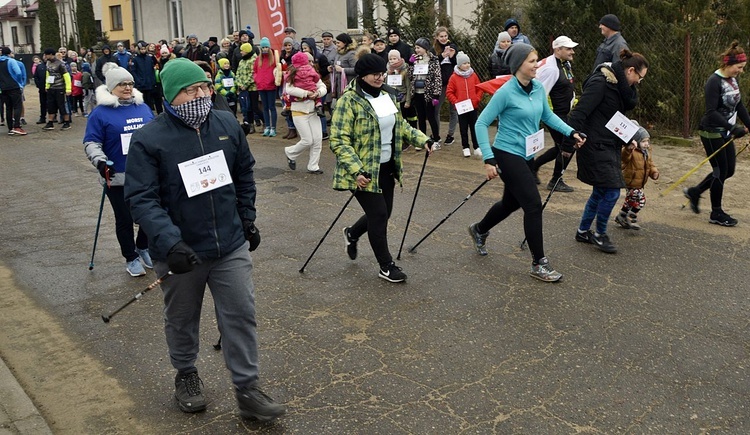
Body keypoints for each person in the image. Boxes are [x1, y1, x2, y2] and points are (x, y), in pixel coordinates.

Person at [124, 57, 286, 421]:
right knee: (182, 318)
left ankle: (247, 389)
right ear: (171, 95)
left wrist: (247, 220)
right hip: (181, 253)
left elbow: (243, 173)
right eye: (191, 90)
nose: (202, 95)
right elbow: (141, 198)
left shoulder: (227, 123)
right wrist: (169, 242)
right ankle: (186, 374)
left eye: (205, 87)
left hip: (229, 245)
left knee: (241, 315)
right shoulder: (150, 139)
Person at [469, 43, 585, 282]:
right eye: (532, 61)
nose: (537, 65)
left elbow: (548, 115)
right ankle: (538, 263)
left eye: (537, 60)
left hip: (527, 153)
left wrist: (571, 132)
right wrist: (488, 159)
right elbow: (481, 123)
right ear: (518, 65)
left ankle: (479, 230)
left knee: (511, 203)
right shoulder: (506, 92)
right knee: (533, 204)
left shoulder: (538, 88)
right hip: (507, 153)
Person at [331, 54, 434, 283]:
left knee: (384, 212)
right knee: (378, 214)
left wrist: (422, 140)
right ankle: (386, 266)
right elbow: (338, 140)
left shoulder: (388, 94)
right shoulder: (349, 101)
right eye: (375, 74)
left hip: (387, 166)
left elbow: (402, 126)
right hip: (364, 171)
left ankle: (352, 233)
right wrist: (357, 170)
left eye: (382, 73)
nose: (380, 77)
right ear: (362, 76)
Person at [568, 50, 648, 254]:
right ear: (630, 70)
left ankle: (583, 230)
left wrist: (628, 139)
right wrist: (568, 144)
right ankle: (600, 234)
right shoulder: (601, 82)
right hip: (593, 144)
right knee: (612, 191)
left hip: (609, 144)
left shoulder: (619, 87)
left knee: (601, 191)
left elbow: (613, 119)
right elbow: (579, 113)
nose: (639, 82)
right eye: (639, 77)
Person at [83, 63, 154, 276]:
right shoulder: (100, 113)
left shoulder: (143, 107)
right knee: (124, 218)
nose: (127, 88)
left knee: (149, 215)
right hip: (117, 175)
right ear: (111, 87)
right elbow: (91, 143)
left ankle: (143, 246)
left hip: (145, 173)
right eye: (122, 84)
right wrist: (100, 162)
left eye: (130, 83)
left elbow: (155, 135)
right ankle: (131, 257)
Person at [683, 41, 750, 227]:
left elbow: (739, 105)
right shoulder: (714, 81)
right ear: (728, 64)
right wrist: (733, 128)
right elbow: (711, 111)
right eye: (739, 67)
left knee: (729, 170)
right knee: (720, 171)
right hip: (711, 131)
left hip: (726, 131)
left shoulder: (733, 80)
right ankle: (716, 213)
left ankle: (695, 192)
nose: (741, 71)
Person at [532, 35, 579, 192]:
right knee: (567, 145)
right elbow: (539, 93)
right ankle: (555, 180)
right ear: (558, 50)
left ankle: (534, 167)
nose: (572, 51)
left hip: (564, 113)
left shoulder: (564, 64)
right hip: (554, 115)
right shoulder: (551, 68)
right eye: (568, 49)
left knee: (561, 146)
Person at [284, 52, 328, 174]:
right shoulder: (292, 74)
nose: (311, 64)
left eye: (312, 61)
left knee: (317, 139)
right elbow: (289, 89)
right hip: (299, 110)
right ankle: (290, 152)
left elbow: (323, 87)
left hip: (314, 111)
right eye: (308, 61)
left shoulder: (313, 74)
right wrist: (306, 93)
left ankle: (313, 166)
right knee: (307, 140)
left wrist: (317, 93)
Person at [616, 121, 659, 230]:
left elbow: (650, 164)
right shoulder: (631, 152)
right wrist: (628, 149)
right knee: (640, 199)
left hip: (639, 183)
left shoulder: (646, 153)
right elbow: (624, 158)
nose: (646, 144)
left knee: (630, 201)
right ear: (636, 141)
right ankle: (631, 217)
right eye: (643, 141)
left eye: (647, 141)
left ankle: (621, 216)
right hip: (630, 182)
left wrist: (653, 172)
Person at [446, 51, 482, 157]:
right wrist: (456, 102)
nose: (467, 65)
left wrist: (477, 99)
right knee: (463, 128)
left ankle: (476, 146)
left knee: (474, 126)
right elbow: (449, 92)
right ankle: (465, 147)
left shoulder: (473, 75)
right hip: (461, 108)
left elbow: (479, 88)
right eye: (464, 63)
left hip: (473, 106)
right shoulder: (454, 77)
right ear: (459, 65)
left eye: (468, 63)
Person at [408, 37, 442, 147]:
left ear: (425, 48)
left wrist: (436, 95)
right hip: (417, 92)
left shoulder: (433, 60)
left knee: (431, 116)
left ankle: (436, 139)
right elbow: (409, 76)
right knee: (421, 117)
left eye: (418, 47)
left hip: (429, 94)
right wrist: (410, 64)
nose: (416, 50)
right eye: (415, 48)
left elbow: (437, 78)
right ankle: (423, 140)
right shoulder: (415, 60)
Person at [434, 26, 459, 145]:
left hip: (453, 83)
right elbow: (432, 64)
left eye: (445, 36)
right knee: (436, 109)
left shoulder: (453, 47)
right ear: (437, 37)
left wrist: (453, 56)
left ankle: (450, 134)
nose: (444, 38)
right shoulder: (434, 49)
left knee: (453, 110)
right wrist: (441, 56)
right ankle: (436, 134)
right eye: (441, 36)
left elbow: (458, 64)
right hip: (440, 84)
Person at [253, 37, 278, 136]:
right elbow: (254, 71)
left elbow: (278, 69)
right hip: (261, 86)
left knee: (272, 107)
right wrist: (257, 79)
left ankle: (273, 127)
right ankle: (267, 126)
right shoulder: (258, 59)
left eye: (266, 47)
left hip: (271, 86)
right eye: (263, 47)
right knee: (265, 107)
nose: (265, 49)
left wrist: (274, 79)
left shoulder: (274, 58)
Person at [43, 47, 72, 131]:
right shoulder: (48, 63)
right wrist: (47, 85)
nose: (45, 56)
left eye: (46, 54)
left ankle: (66, 122)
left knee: (61, 105)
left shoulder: (60, 64)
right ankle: (50, 122)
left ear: (51, 54)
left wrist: (68, 89)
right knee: (50, 105)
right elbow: (48, 74)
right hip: (51, 88)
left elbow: (66, 76)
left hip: (60, 87)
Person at [386, 49, 416, 128]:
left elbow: (408, 86)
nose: (392, 61)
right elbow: (385, 85)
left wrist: (408, 101)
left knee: (404, 119)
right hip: (392, 99)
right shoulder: (388, 71)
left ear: (399, 58)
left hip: (402, 98)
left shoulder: (405, 70)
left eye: (394, 58)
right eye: (390, 59)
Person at [0, 46, 27, 135]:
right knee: (17, 106)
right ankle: (17, 126)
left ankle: (10, 128)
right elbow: (18, 72)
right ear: (9, 53)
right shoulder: (11, 61)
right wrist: (19, 82)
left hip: (3, 87)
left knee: (8, 108)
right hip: (13, 86)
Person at [235, 42, 259, 133]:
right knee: (247, 108)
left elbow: (253, 74)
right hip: (243, 88)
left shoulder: (253, 60)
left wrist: (245, 84)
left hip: (252, 88)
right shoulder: (242, 61)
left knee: (254, 107)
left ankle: (264, 122)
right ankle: (250, 125)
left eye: (242, 50)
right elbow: (238, 73)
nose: (241, 52)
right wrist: (239, 83)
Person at [131, 42, 158, 112]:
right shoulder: (135, 59)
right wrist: (138, 81)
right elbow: (133, 71)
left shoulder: (149, 58)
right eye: (141, 49)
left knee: (149, 101)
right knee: (141, 100)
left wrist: (153, 81)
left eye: (144, 49)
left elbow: (152, 70)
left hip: (149, 83)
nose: (143, 50)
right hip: (141, 84)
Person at [32, 55, 48, 124]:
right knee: (43, 103)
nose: (45, 57)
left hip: (52, 88)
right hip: (42, 89)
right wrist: (39, 85)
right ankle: (42, 117)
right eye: (44, 55)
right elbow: (36, 77)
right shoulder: (40, 66)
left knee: (52, 103)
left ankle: (54, 117)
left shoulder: (53, 65)